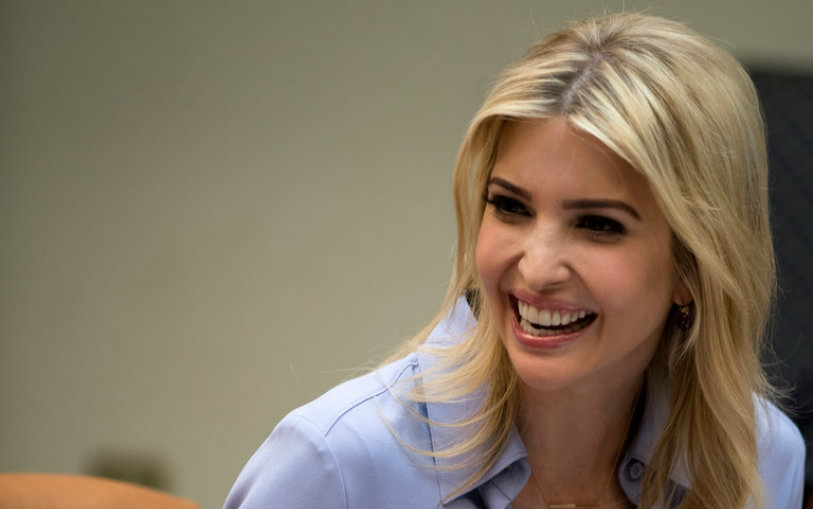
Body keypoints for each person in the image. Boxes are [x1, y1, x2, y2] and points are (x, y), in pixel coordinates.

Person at [223, 12, 805, 509]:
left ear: (693, 267)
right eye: (510, 206)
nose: (537, 269)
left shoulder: (759, 461)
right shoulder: (337, 466)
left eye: (597, 224)